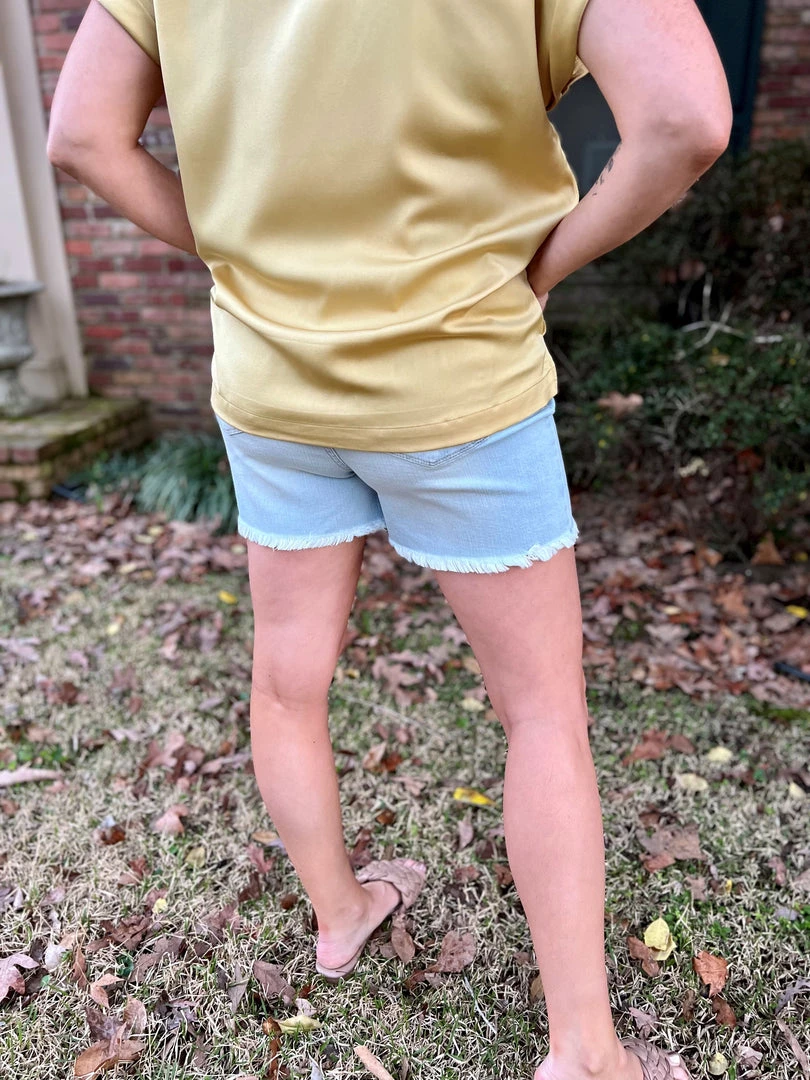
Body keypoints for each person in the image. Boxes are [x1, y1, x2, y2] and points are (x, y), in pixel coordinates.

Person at [49, 2, 731, 1077]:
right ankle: (584, 1050)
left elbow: (83, 135)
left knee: (288, 683)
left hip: (272, 383)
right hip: (461, 378)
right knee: (541, 712)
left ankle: (340, 914)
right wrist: (543, 265)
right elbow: (686, 116)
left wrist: (238, 255)